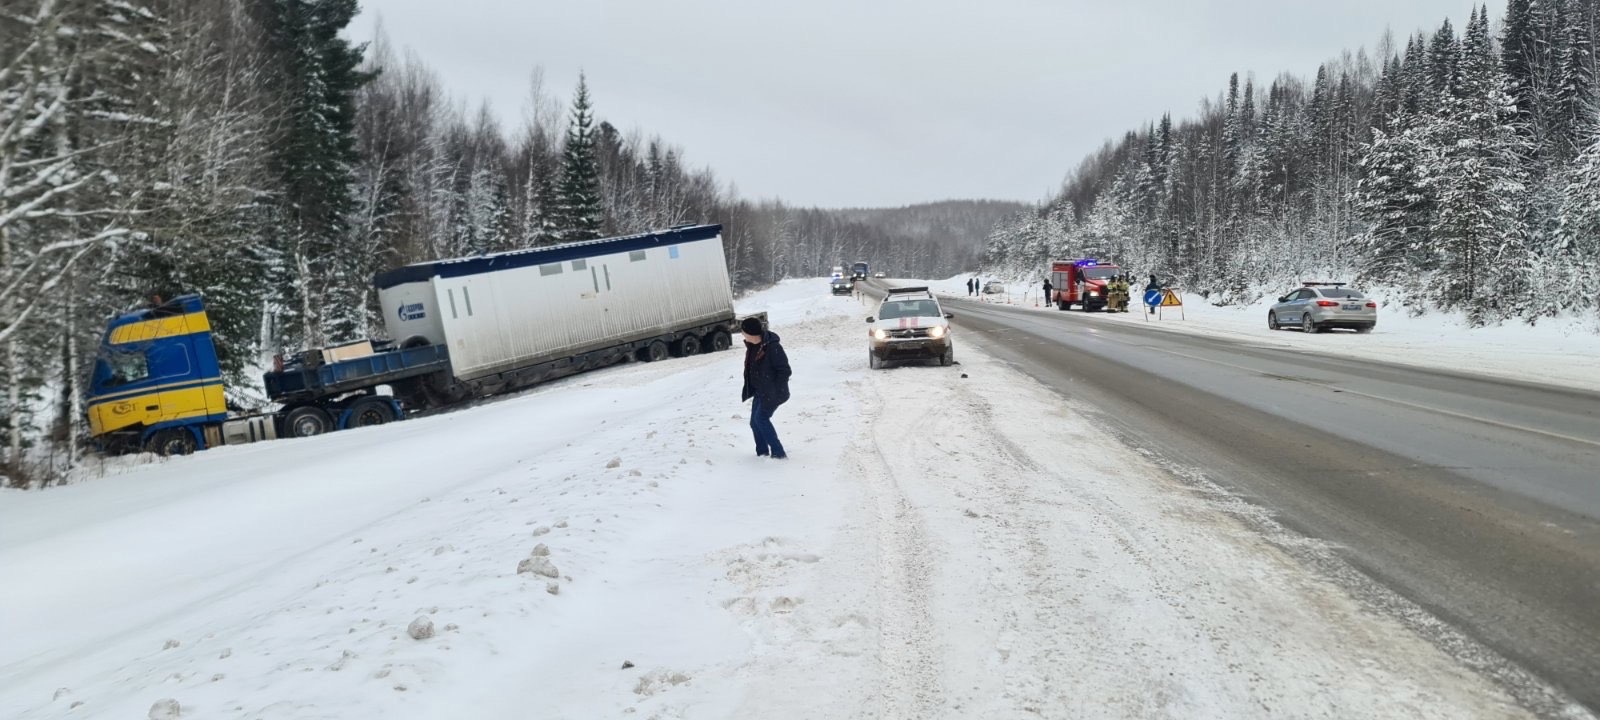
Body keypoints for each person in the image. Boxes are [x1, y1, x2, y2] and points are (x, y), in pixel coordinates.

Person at [740, 316, 792, 459]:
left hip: (773, 392)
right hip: (760, 391)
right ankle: (762, 453)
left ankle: (778, 453)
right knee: (754, 422)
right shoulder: (754, 346)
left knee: (761, 419)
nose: (742, 335)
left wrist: (775, 390)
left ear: (750, 333)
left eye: (743, 332)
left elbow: (785, 370)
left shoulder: (772, 347)